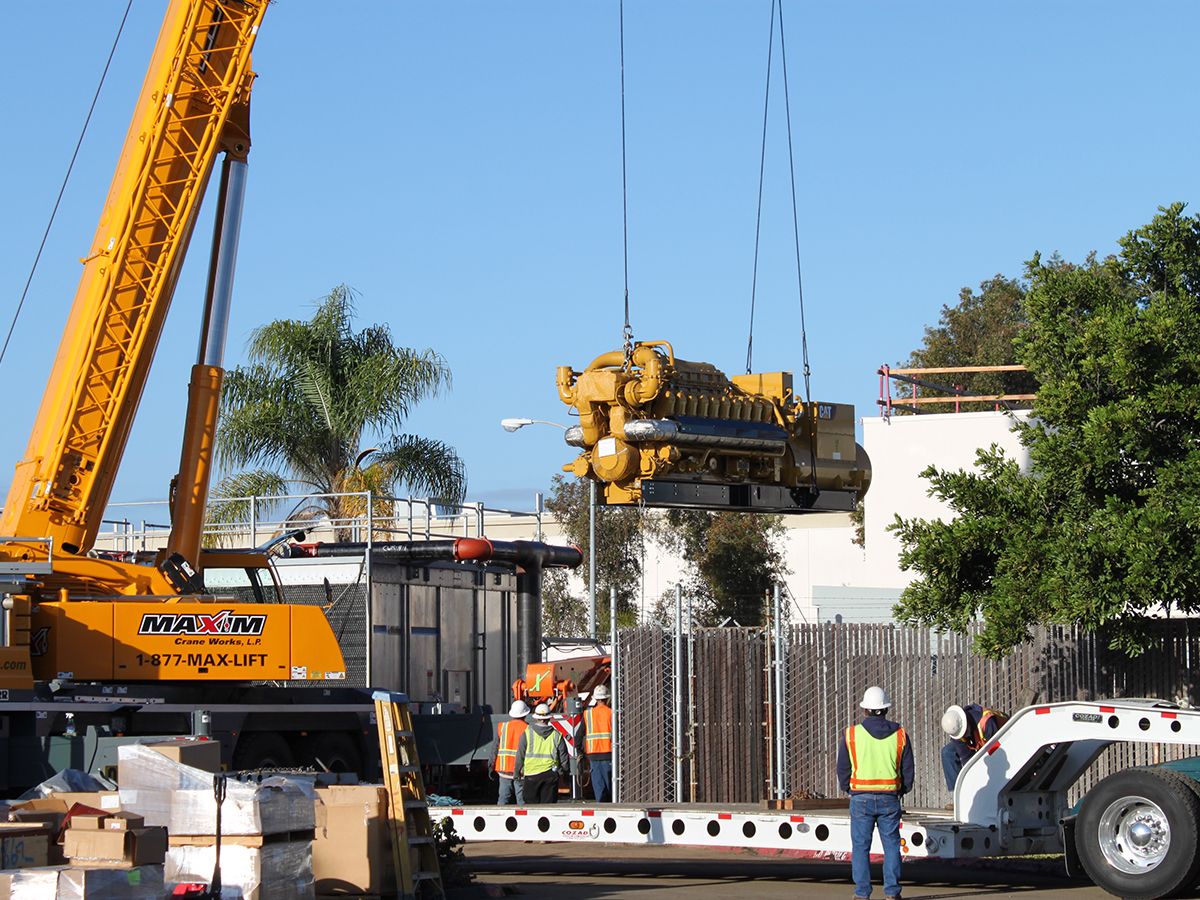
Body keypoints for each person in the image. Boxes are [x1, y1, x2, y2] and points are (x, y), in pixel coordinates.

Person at [837, 686, 913, 900]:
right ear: (886, 709)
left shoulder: (852, 734)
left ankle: (862, 893)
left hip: (860, 797)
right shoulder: (900, 735)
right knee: (891, 846)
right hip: (890, 797)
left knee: (861, 847)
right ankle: (892, 892)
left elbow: (843, 767)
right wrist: (902, 790)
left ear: (865, 710)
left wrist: (848, 788)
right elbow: (908, 769)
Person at [940, 704, 1008, 791]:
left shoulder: (987, 722)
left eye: (964, 732)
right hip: (979, 743)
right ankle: (957, 795)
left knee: (988, 761)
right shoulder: (956, 730)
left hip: (1001, 742)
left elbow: (996, 752)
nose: (963, 736)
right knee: (947, 752)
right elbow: (967, 759)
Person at [514, 702, 568, 804]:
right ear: (548, 718)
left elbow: (520, 755)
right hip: (550, 776)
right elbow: (564, 758)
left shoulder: (527, 733)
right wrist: (564, 774)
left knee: (531, 810)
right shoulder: (557, 735)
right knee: (548, 809)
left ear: (536, 718)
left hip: (531, 776)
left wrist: (516, 773)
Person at [489, 699, 529, 805]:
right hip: (520, 770)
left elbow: (495, 748)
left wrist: (491, 765)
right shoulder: (528, 728)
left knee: (503, 799)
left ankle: (499, 819)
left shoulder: (503, 726)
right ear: (525, 714)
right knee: (521, 800)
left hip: (504, 769)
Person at [580, 683, 614, 802]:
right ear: (607, 698)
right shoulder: (612, 713)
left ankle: (601, 807)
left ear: (595, 698)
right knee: (610, 785)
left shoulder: (587, 714)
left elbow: (578, 735)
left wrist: (580, 751)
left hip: (593, 755)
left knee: (598, 786)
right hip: (609, 753)